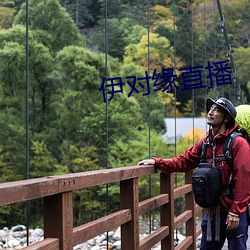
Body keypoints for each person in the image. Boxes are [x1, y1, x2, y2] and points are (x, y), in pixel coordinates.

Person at [137, 97, 250, 250]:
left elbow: (244, 178)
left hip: (233, 211)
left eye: (216, 110)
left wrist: (236, 212)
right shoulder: (205, 143)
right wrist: (157, 162)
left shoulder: (238, 143)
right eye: (210, 109)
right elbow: (184, 161)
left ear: (227, 118)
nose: (210, 112)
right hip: (213, 211)